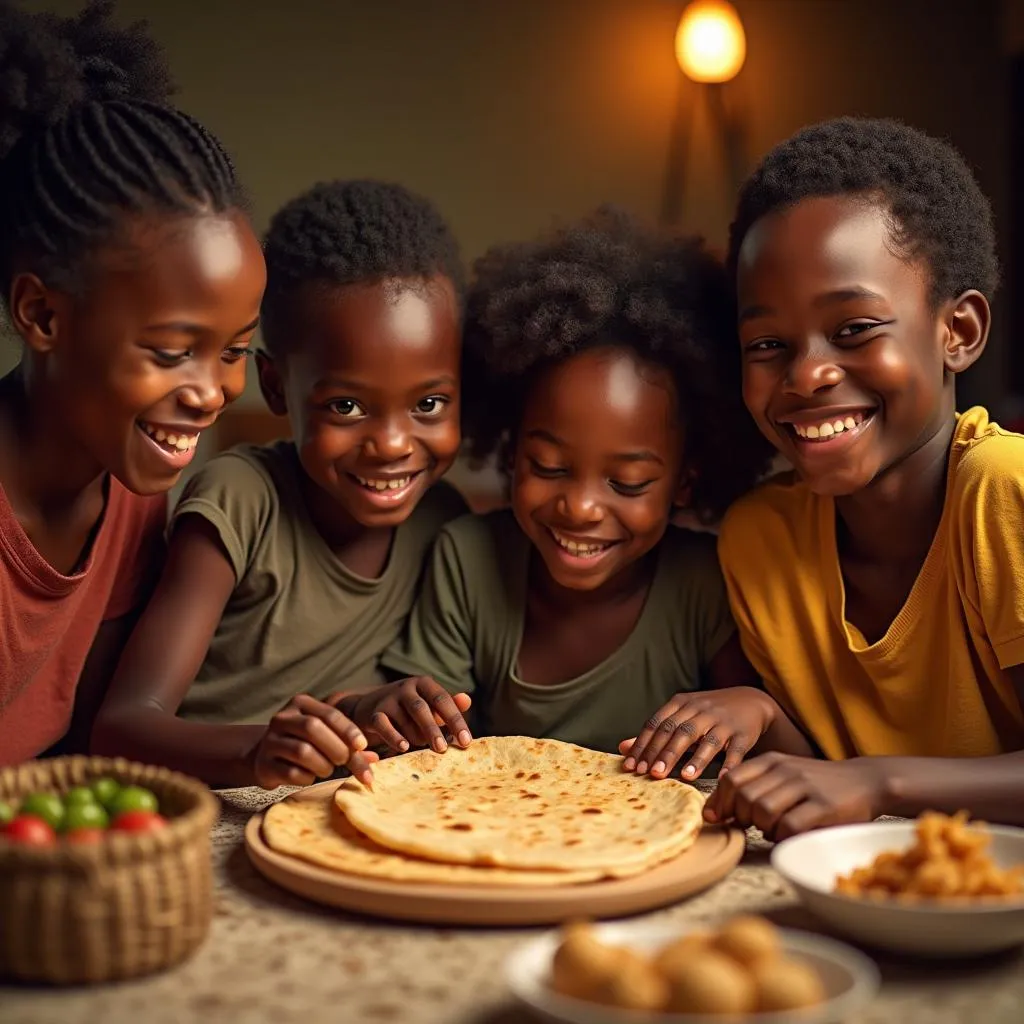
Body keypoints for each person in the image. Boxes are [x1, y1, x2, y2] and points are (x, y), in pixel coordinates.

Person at [344, 208, 805, 776]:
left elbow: (792, 770)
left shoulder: (703, 583)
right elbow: (416, 750)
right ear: (512, 452)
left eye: (627, 482)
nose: (581, 507)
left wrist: (756, 708)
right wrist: (398, 714)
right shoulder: (467, 559)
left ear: (686, 480)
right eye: (549, 466)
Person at [703, 117, 1024, 838]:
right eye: (767, 344)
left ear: (959, 332)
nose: (808, 373)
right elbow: (825, 791)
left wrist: (880, 780)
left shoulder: (1003, 492)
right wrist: (763, 717)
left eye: (854, 330)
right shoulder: (761, 540)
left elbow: (860, 786)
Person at [92, 180, 470, 788]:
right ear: (274, 386)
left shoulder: (445, 522)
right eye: (346, 406)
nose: (394, 445)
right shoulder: (240, 501)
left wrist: (373, 712)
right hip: (192, 814)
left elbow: (378, 706)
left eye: (428, 402)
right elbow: (122, 726)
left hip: (328, 815)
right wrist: (255, 752)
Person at [0, 0, 265, 765]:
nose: (212, 392)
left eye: (234, 350)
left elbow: (92, 756)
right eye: (174, 349)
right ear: (42, 315)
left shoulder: (135, 494)